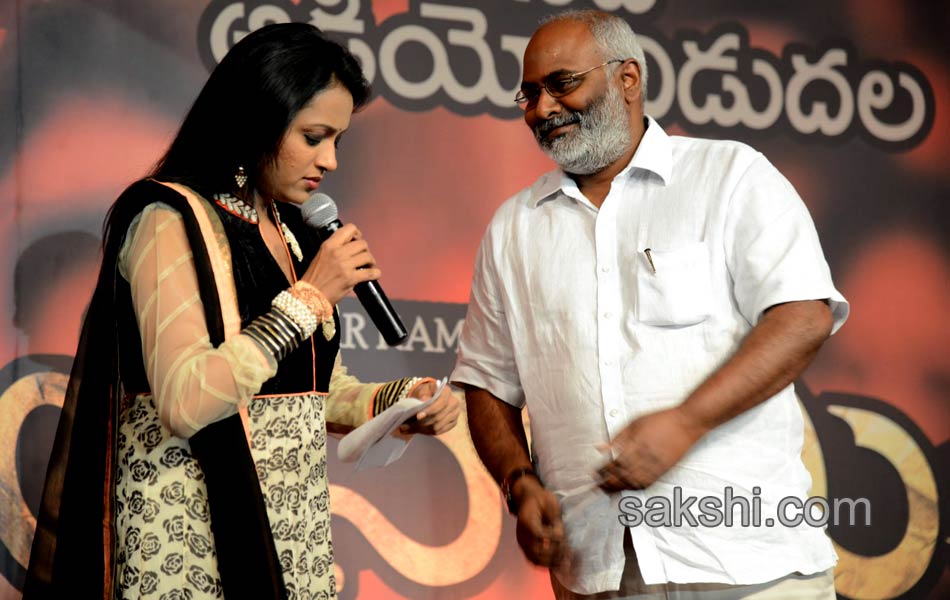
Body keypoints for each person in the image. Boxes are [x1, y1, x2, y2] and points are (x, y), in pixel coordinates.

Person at [25, 23, 460, 600]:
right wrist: (309, 297)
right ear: (258, 120)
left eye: (338, 140)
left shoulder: (292, 230)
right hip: (188, 538)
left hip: (292, 537)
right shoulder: (167, 220)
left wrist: (401, 401)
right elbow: (186, 401)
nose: (330, 160)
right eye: (313, 137)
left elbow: (309, 392)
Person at [452, 10, 848, 600]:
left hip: (746, 560)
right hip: (597, 567)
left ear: (628, 78)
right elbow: (487, 382)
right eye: (529, 94)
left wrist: (687, 422)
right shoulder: (514, 227)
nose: (542, 108)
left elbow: (803, 316)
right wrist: (519, 483)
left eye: (562, 84)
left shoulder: (729, 175)